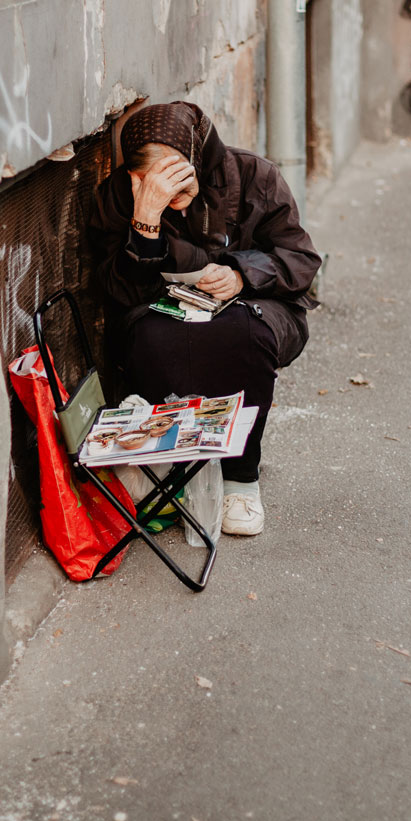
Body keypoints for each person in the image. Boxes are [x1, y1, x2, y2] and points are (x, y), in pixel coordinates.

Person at [89, 102, 320, 536]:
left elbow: (301, 259)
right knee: (152, 340)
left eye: (177, 179)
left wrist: (240, 274)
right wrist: (146, 221)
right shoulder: (120, 194)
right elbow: (120, 293)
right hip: (161, 310)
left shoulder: (253, 175)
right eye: (149, 181)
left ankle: (240, 478)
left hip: (255, 304)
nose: (167, 193)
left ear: (197, 161)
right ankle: (173, 468)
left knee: (241, 334)